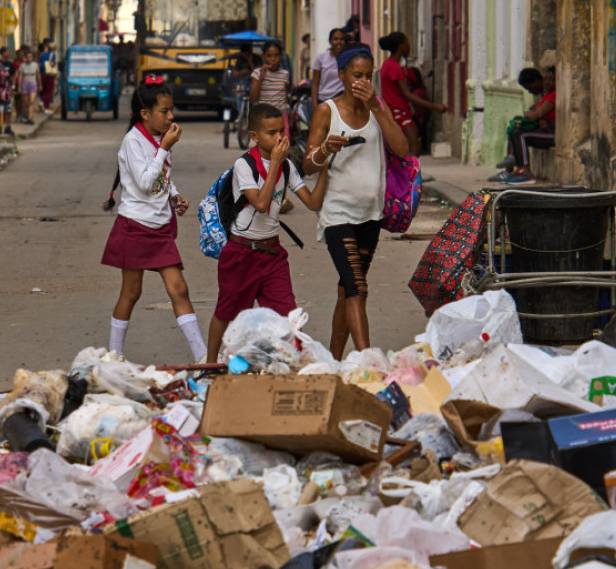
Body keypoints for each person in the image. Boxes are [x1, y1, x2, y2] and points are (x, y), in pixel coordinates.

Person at [302, 43, 409, 358]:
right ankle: (369, 359)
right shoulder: (327, 111)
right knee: (358, 289)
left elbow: (402, 149)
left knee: (346, 290)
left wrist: (377, 107)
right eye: (356, 75)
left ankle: (334, 361)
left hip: (370, 214)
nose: (362, 81)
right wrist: (325, 149)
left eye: (367, 75)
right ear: (342, 75)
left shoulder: (378, 107)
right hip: (338, 214)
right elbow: (308, 164)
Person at [205, 104, 329, 362]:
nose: (279, 138)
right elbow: (261, 204)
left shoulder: (286, 167)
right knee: (226, 313)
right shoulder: (244, 165)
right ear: (254, 135)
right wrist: (274, 163)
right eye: (271, 133)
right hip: (241, 252)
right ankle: (209, 362)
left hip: (272, 254)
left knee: (289, 317)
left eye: (281, 131)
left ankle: (295, 362)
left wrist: (326, 166)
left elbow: (313, 203)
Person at [101, 77, 206, 362]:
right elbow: (146, 182)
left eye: (171, 109)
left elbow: (160, 178)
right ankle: (114, 357)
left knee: (179, 288)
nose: (171, 116)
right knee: (131, 293)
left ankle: (203, 357)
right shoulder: (133, 141)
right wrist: (164, 148)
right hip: (135, 225)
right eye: (164, 111)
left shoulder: (159, 139)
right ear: (145, 114)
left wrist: (175, 195)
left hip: (159, 227)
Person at [377, 31, 447, 156]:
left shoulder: (387, 64)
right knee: (413, 146)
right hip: (398, 113)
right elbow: (407, 94)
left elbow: (395, 92)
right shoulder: (394, 67)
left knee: (406, 147)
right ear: (401, 46)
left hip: (395, 111)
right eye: (407, 43)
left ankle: (407, 174)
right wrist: (435, 107)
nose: (409, 47)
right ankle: (410, 175)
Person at [493, 66, 556, 185]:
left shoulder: (554, 95)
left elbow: (536, 114)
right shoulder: (548, 94)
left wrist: (534, 115)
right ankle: (510, 166)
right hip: (545, 129)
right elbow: (537, 112)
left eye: (551, 79)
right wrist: (538, 116)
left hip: (553, 133)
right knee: (516, 124)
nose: (547, 82)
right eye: (546, 79)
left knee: (521, 133)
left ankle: (525, 171)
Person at [250, 40, 291, 135]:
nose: (273, 59)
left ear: (280, 56)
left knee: (282, 144)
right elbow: (253, 98)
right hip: (264, 116)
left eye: (276, 55)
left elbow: (284, 95)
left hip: (281, 115)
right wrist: (261, 78)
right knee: (267, 144)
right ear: (263, 56)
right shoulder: (257, 73)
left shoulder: (285, 74)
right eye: (269, 56)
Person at [311, 28, 346, 107]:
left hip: (341, 101)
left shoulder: (348, 59)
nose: (339, 42)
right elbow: (315, 84)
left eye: (342, 39)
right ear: (330, 41)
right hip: (324, 100)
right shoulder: (320, 58)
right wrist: (315, 105)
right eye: (335, 39)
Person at [0, 47, 16, 136]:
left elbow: (13, 74)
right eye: (7, 51)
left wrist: (13, 85)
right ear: (3, 53)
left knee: (8, 109)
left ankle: (7, 126)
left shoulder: (10, 64)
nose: (9, 53)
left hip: (8, 89)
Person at [16, 50, 40, 124]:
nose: (29, 58)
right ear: (25, 58)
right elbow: (20, 76)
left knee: (31, 102)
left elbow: (38, 75)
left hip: (33, 83)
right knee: (26, 103)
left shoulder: (35, 64)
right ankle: (27, 116)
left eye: (31, 57)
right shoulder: (22, 65)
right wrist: (19, 87)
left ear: (32, 58)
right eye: (28, 57)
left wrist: (40, 85)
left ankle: (30, 118)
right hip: (24, 83)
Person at [39, 39, 57, 110]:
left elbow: (40, 64)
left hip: (42, 74)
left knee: (43, 90)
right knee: (49, 90)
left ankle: (42, 102)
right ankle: (45, 105)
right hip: (49, 74)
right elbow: (52, 63)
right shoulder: (53, 55)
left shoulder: (43, 54)